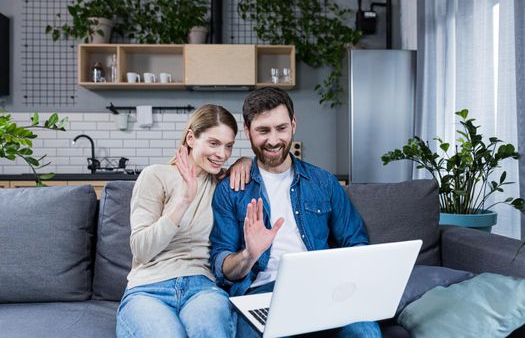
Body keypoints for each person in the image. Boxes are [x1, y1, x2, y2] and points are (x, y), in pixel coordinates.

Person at [210, 88, 382, 337]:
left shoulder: (323, 182)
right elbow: (222, 266)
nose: (273, 140)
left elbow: (355, 241)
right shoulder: (232, 189)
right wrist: (249, 254)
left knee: (364, 332)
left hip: (323, 289)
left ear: (293, 124)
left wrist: (348, 285)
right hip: (262, 294)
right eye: (263, 130)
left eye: (281, 128)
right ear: (247, 131)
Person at [116, 104, 251, 338]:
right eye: (214, 143)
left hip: (203, 287)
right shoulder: (155, 176)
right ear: (191, 138)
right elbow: (141, 249)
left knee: (211, 331)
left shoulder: (223, 185)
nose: (222, 154)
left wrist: (246, 161)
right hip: (148, 289)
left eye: (229, 146)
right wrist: (183, 201)